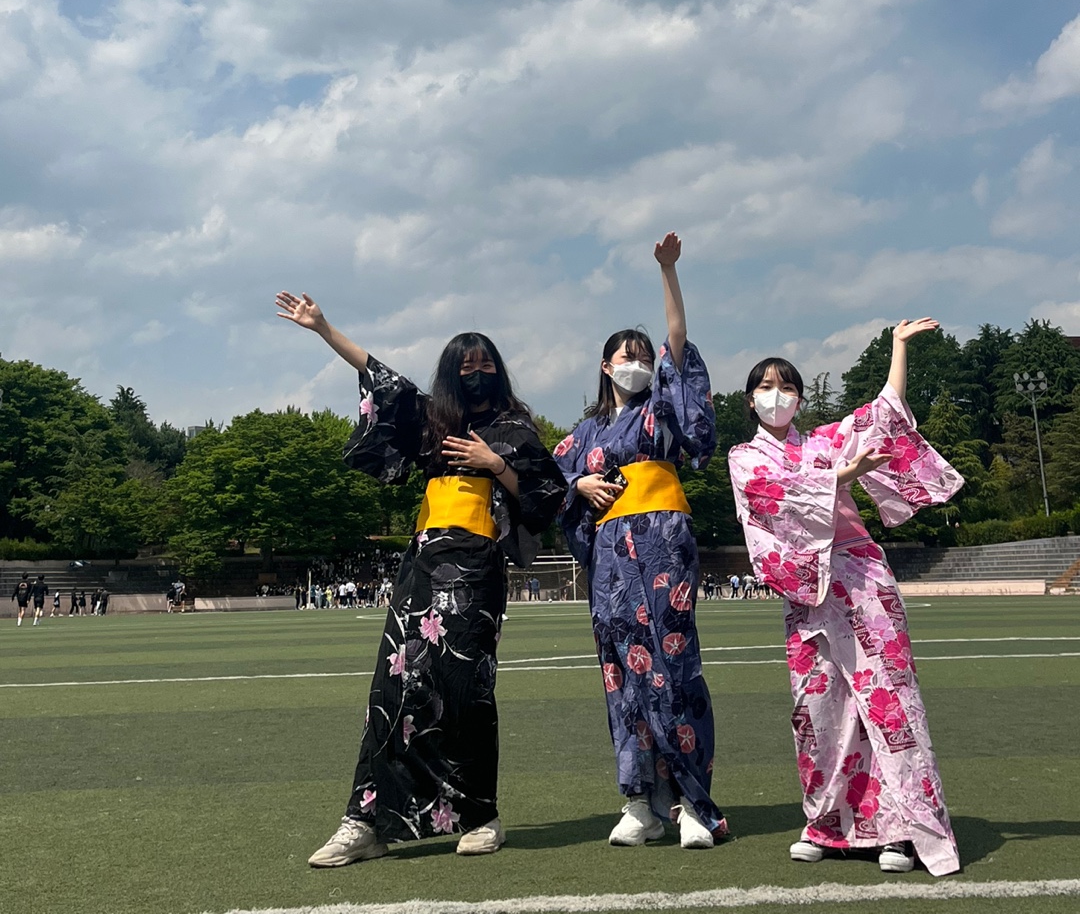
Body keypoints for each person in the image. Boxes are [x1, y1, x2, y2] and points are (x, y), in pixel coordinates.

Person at [276, 290, 566, 865]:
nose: (477, 374)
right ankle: (365, 821)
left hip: (477, 568)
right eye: (466, 365)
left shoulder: (514, 426)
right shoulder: (436, 423)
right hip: (422, 565)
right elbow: (385, 381)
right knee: (392, 686)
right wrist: (324, 328)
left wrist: (496, 465)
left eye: (486, 365)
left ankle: (480, 816)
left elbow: (547, 495)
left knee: (466, 690)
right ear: (451, 373)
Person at [728, 320, 962, 877]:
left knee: (886, 702)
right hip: (808, 592)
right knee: (820, 708)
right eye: (766, 387)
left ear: (800, 399)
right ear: (750, 399)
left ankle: (900, 831)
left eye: (787, 387)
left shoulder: (824, 442)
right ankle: (827, 824)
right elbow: (770, 495)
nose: (777, 396)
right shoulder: (744, 457)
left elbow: (883, 413)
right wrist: (838, 478)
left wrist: (898, 348)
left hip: (862, 578)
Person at [555, 234, 724, 851]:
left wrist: (668, 272)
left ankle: (693, 803)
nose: (638, 361)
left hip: (663, 545)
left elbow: (678, 342)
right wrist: (578, 483)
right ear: (605, 366)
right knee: (621, 671)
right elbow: (549, 484)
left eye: (643, 355)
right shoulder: (585, 432)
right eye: (625, 355)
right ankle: (640, 802)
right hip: (610, 560)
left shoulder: (661, 409)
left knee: (672, 665)